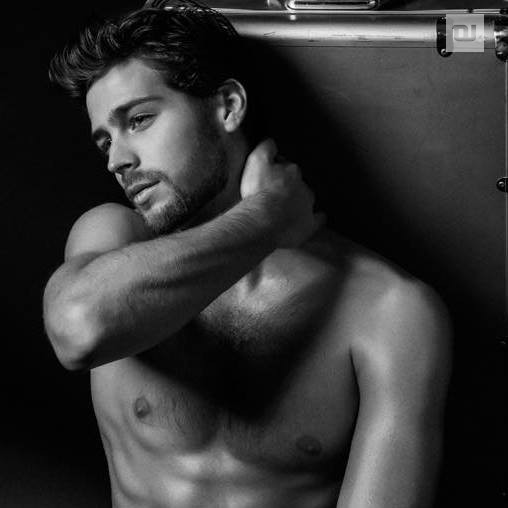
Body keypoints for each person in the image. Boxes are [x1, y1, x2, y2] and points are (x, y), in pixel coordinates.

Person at [43, 1, 452, 507]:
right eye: (105, 141)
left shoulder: (389, 309)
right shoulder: (113, 236)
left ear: (228, 106)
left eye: (140, 120)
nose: (118, 160)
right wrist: (268, 218)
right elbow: (78, 330)